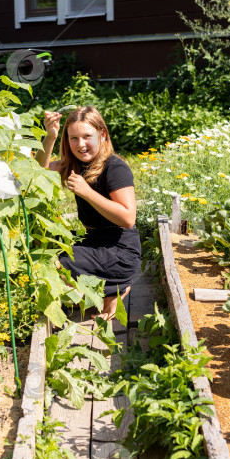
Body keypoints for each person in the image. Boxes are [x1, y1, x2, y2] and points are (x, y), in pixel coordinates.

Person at [35, 106, 140, 320]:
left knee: (60, 262)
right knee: (44, 247)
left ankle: (113, 287)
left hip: (119, 250)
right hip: (94, 240)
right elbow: (36, 172)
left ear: (102, 134)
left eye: (87, 136)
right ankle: (108, 292)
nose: (80, 144)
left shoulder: (114, 167)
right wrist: (50, 137)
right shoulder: (77, 164)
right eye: (73, 138)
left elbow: (128, 219)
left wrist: (86, 192)